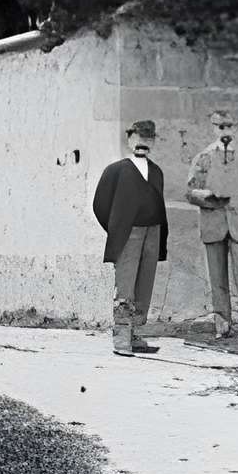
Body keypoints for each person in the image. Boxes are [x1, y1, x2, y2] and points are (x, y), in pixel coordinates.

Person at [186, 107, 238, 339]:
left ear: (236, 128)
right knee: (217, 279)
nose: (225, 131)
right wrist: (208, 197)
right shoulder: (203, 157)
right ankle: (222, 326)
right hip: (213, 223)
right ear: (213, 129)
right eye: (220, 127)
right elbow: (190, 191)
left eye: (229, 127)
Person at [92, 118, 169, 358]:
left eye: (147, 139)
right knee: (125, 286)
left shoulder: (156, 172)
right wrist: (118, 229)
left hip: (152, 233)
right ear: (129, 139)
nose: (142, 143)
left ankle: (135, 333)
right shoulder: (116, 170)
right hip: (129, 234)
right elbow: (100, 205)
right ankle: (121, 338)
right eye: (137, 138)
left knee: (144, 285)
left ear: (153, 142)